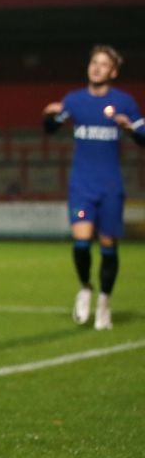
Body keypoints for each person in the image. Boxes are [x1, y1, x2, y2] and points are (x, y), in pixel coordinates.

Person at [44, 45, 145, 330]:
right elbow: (51, 128)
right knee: (81, 240)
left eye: (103, 65)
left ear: (113, 72)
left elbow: (143, 134)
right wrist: (49, 116)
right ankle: (86, 287)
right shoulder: (75, 100)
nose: (96, 68)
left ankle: (104, 301)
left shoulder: (124, 102)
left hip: (110, 185)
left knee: (108, 244)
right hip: (81, 184)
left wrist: (131, 130)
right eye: (93, 63)